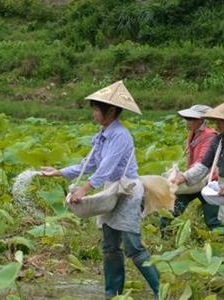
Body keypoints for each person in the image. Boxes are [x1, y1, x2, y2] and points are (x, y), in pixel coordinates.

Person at [40, 81, 159, 299]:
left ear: (111, 111)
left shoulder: (120, 136)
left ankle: (160, 291)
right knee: (110, 247)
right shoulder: (102, 136)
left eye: (96, 109)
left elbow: (107, 167)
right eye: (93, 109)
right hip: (110, 192)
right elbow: (89, 163)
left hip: (128, 191)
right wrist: (58, 172)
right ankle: (112, 294)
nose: (94, 114)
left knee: (133, 247)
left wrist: (84, 189)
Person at [171, 98, 224, 257]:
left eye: (221, 120)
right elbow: (204, 165)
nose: (216, 124)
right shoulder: (218, 139)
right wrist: (184, 177)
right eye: (216, 120)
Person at [160, 105, 220, 234]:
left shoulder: (210, 137)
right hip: (193, 181)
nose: (188, 121)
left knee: (213, 221)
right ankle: (165, 239)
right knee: (169, 212)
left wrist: (183, 177)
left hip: (208, 182)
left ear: (201, 120)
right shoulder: (193, 134)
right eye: (187, 118)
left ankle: (223, 247)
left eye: (191, 119)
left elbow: (203, 162)